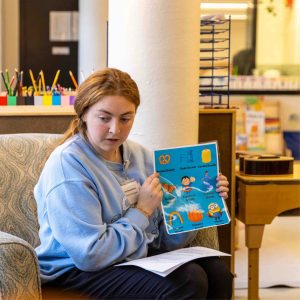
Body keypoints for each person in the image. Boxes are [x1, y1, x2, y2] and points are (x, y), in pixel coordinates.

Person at [35, 68, 233, 299]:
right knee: (188, 280)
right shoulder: (68, 165)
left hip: (130, 261)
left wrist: (199, 201)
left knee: (218, 273)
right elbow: (90, 256)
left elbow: (162, 243)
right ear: (84, 114)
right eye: (104, 118)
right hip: (72, 271)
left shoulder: (142, 158)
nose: (115, 129)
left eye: (125, 118)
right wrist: (142, 210)